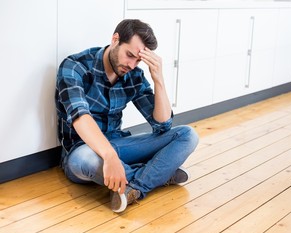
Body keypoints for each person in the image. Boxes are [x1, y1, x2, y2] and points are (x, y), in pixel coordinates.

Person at [55, 19, 199, 213]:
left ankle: (135, 188)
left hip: (120, 145)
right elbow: (80, 117)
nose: (132, 65)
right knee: (88, 160)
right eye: (129, 55)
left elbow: (162, 126)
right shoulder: (74, 66)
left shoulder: (134, 75)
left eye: (138, 60)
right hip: (82, 150)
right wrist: (109, 156)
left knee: (188, 135)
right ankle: (157, 174)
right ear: (115, 40)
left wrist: (159, 80)